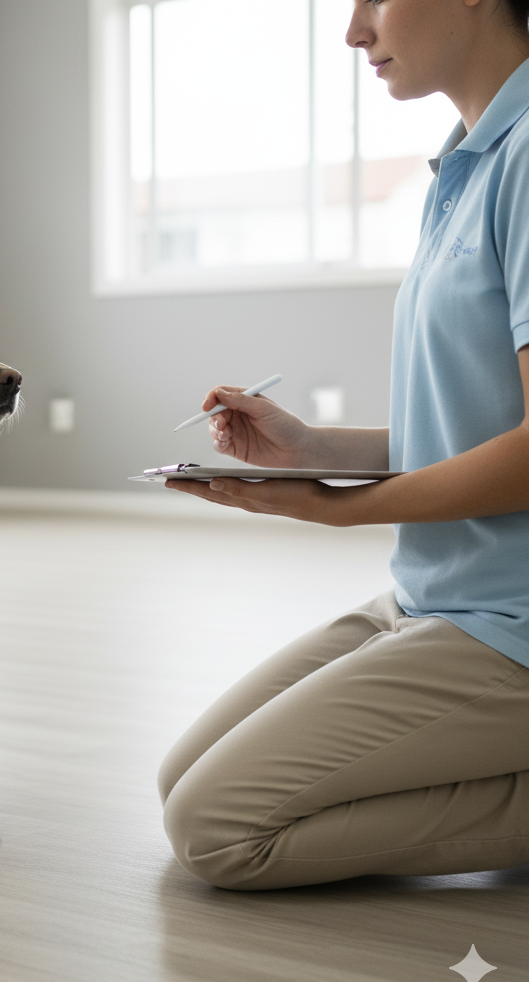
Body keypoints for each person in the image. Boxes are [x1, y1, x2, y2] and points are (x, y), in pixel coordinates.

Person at [157, 0, 529, 890]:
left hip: (512, 622)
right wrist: (314, 447)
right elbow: (480, 430)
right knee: (182, 779)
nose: (354, 31)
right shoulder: (465, 165)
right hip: (433, 594)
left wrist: (344, 511)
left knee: (215, 831)